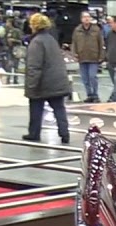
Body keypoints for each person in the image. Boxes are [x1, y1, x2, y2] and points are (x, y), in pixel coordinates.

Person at [22, 13, 71, 144]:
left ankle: (34, 133)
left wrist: (31, 86)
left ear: (34, 25)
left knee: (36, 109)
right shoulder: (51, 39)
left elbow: (34, 66)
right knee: (59, 109)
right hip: (57, 81)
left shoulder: (36, 42)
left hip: (42, 83)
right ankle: (65, 134)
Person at [72, 12, 104, 103]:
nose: (86, 19)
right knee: (85, 78)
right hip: (82, 57)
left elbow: (101, 43)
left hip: (94, 57)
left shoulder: (96, 29)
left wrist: (101, 56)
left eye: (88, 17)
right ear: (81, 19)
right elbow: (74, 43)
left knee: (92, 76)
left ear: (90, 18)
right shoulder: (77, 30)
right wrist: (74, 53)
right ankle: (89, 95)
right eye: (84, 17)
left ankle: (95, 95)